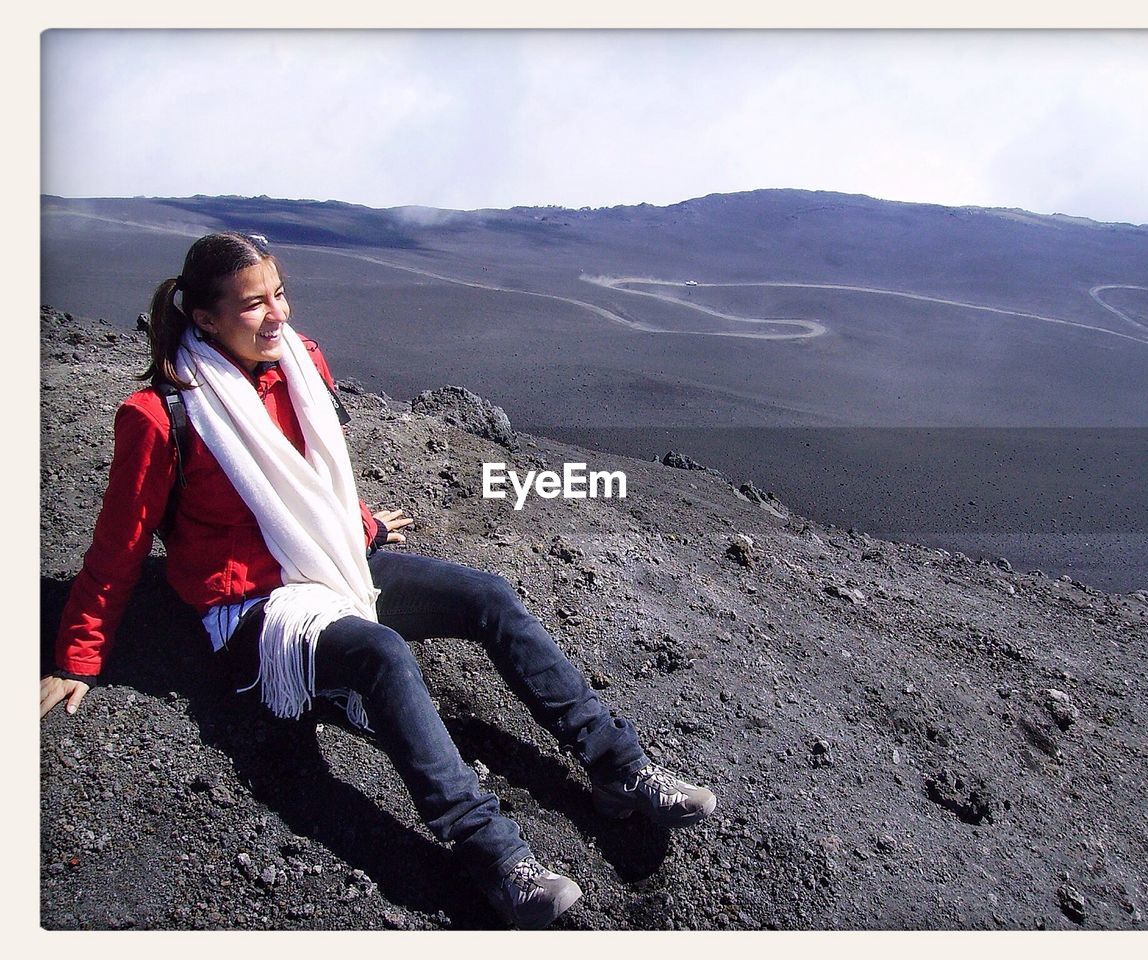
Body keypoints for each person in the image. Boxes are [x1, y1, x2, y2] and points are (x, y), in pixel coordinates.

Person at [40, 232, 716, 930]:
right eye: (253, 305)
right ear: (205, 318)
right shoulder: (160, 416)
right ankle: (495, 858)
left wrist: (359, 523)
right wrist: (76, 656)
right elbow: (117, 549)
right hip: (252, 607)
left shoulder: (301, 364)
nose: (277, 315)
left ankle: (618, 767)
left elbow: (311, 476)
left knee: (488, 595)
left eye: (280, 294)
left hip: (329, 560)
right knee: (382, 654)